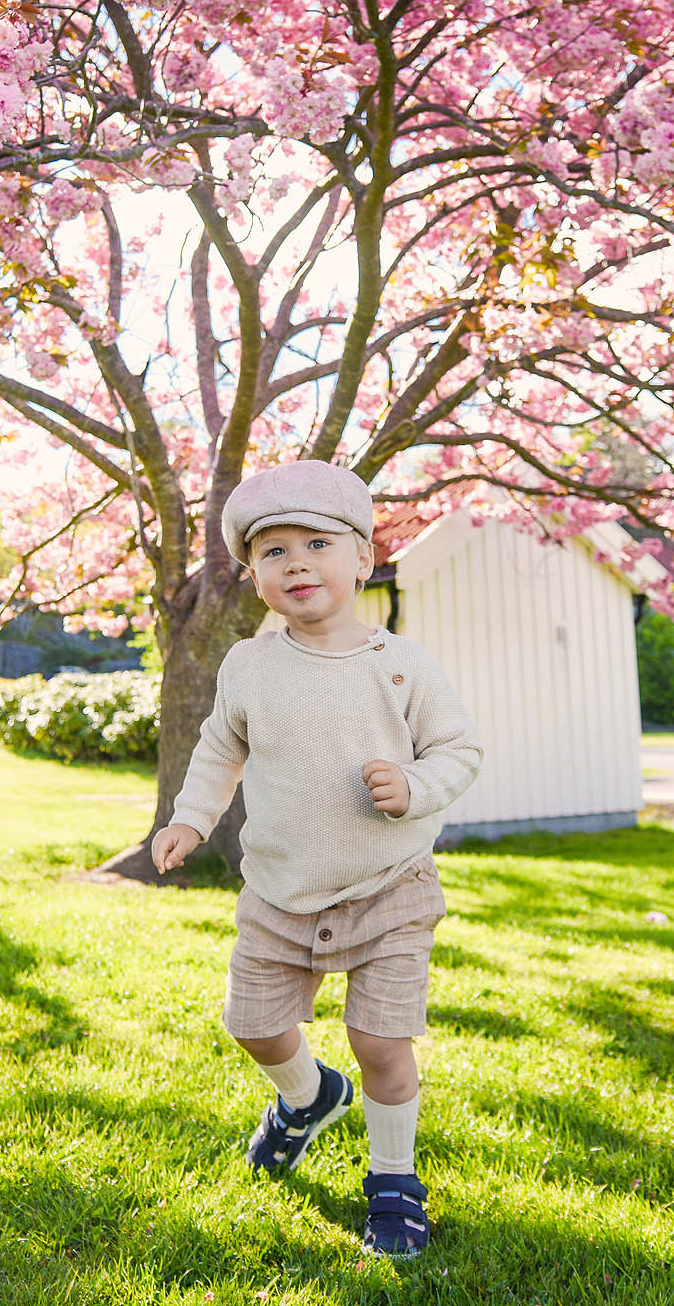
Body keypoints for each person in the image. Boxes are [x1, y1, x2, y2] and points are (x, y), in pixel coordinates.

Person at [150, 460, 483, 1259]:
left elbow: (459, 749)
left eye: (317, 543)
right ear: (254, 574)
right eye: (273, 552)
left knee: (380, 1043)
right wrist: (191, 819)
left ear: (363, 558)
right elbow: (216, 752)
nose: (296, 562)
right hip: (278, 888)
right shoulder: (249, 667)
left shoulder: (401, 663)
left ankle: (394, 1179)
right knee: (255, 1028)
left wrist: (415, 783)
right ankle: (307, 1096)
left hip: (389, 887)